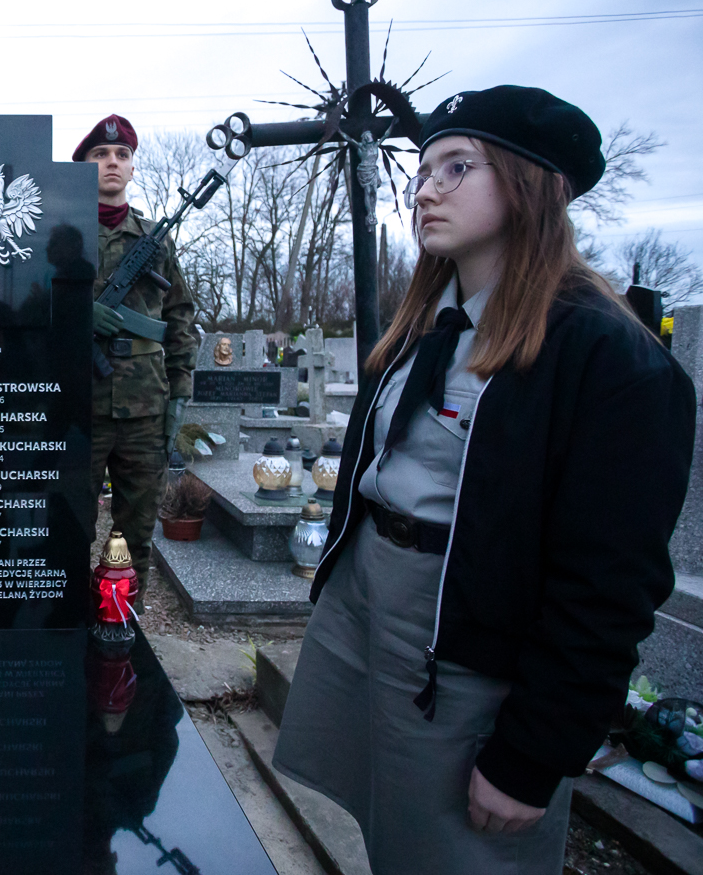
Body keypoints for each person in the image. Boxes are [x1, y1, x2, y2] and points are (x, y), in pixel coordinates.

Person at [272, 86, 696, 873]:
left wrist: (533, 752)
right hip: (373, 600)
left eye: (456, 167)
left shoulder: (610, 358)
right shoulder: (427, 324)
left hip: (466, 632)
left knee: (458, 849)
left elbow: (608, 583)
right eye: (423, 172)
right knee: (393, 825)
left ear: (535, 183)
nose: (426, 190)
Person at [76, 115, 198, 614]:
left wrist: (181, 391)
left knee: (135, 528)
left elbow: (180, 315)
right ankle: (69, 622)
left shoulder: (155, 239)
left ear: (132, 168)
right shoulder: (62, 235)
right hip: (78, 404)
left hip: (145, 406)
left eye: (122, 155)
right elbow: (32, 306)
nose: (112, 162)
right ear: (84, 167)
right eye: (101, 155)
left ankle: (122, 619)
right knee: (70, 524)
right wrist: (79, 315)